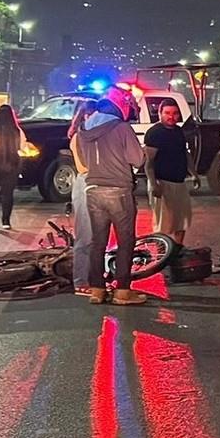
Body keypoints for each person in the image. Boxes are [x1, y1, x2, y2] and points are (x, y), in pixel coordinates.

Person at [72, 87, 147, 305]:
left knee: (98, 242)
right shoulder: (122, 128)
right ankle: (122, 291)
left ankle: (97, 290)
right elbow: (137, 160)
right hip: (118, 191)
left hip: (93, 190)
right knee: (126, 242)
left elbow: (85, 163)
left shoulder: (82, 129)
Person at [144, 98, 199, 245]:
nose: (171, 117)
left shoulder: (179, 131)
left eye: (175, 113)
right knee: (163, 223)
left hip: (179, 183)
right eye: (167, 113)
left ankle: (177, 250)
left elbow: (184, 153)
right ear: (160, 113)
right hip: (162, 182)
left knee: (181, 221)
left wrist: (193, 173)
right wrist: (153, 184)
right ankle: (162, 254)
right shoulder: (154, 133)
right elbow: (148, 162)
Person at [68, 99, 98, 295]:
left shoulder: (87, 136)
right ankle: (80, 281)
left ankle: (91, 276)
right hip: (87, 181)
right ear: (87, 116)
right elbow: (89, 164)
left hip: (91, 181)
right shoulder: (81, 137)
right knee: (85, 234)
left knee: (95, 234)